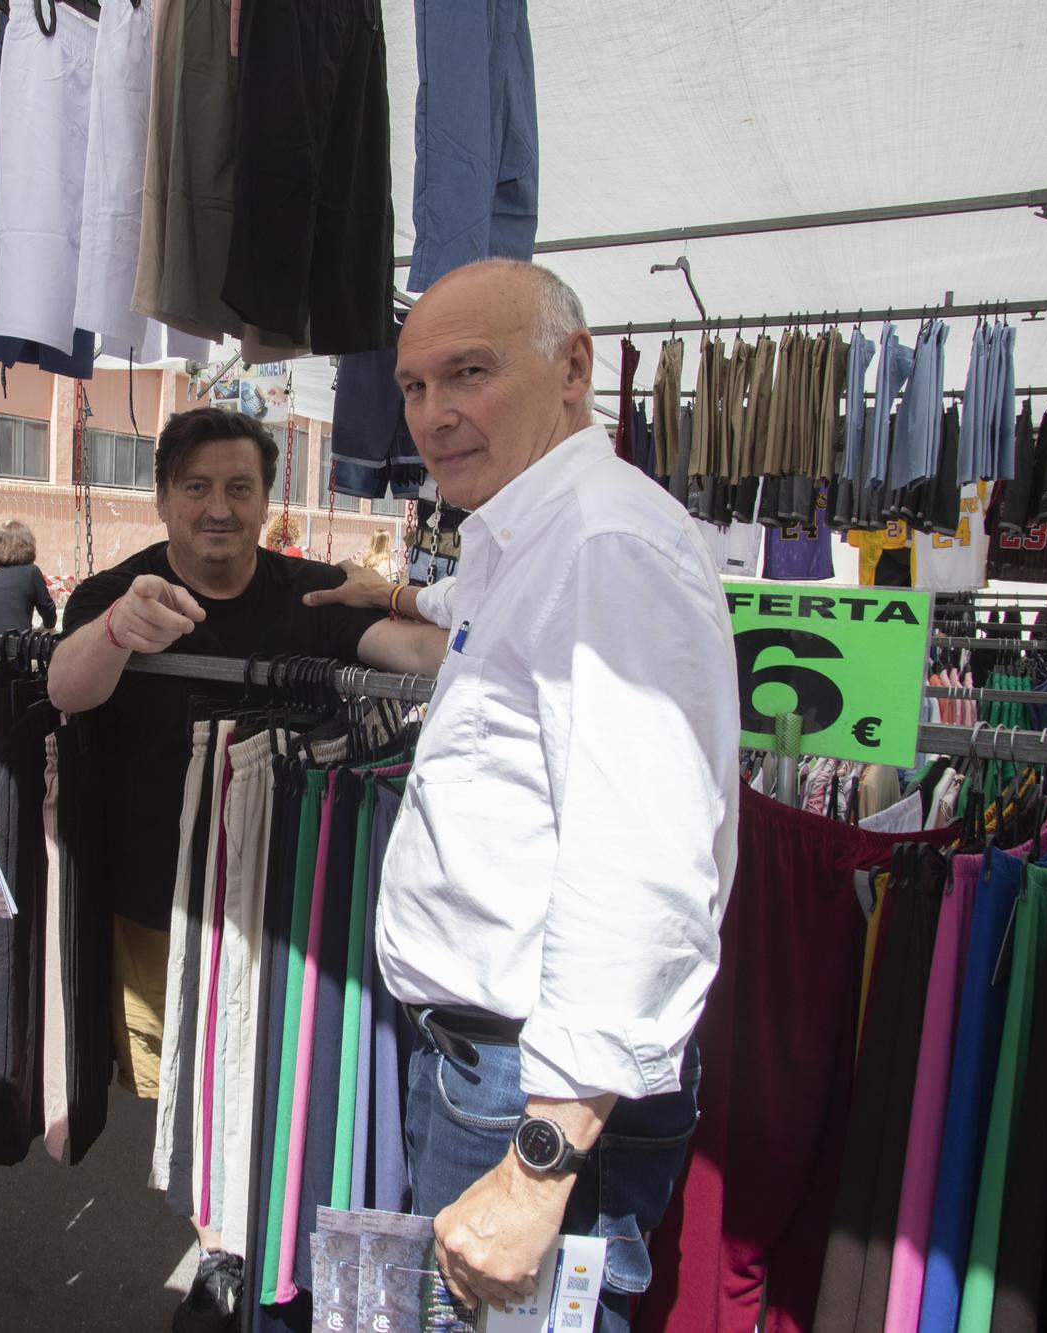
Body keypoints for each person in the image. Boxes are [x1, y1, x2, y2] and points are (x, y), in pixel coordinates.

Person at [306, 259, 738, 1328]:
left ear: (571, 369)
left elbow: (639, 870)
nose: (432, 414)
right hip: (490, 1066)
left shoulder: (604, 547)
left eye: (467, 373)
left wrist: (537, 1166)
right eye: (412, 387)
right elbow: (474, 617)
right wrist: (390, 590)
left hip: (529, 1090)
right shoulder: (530, 527)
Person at [47, 405, 443, 1326]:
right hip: (159, 910)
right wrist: (117, 630)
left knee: (274, 1079)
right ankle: (223, 1235)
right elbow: (65, 689)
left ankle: (237, 1246)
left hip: (290, 907)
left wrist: (399, 597)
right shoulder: (116, 589)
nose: (218, 508)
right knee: (190, 1086)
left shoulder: (311, 591)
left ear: (267, 500)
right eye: (197, 488)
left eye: (239, 488)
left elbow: (427, 659)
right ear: (163, 498)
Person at [0, 519, 57, 633]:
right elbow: (48, 613)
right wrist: (46, 627)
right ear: (26, 544)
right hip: (12, 647)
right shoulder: (31, 572)